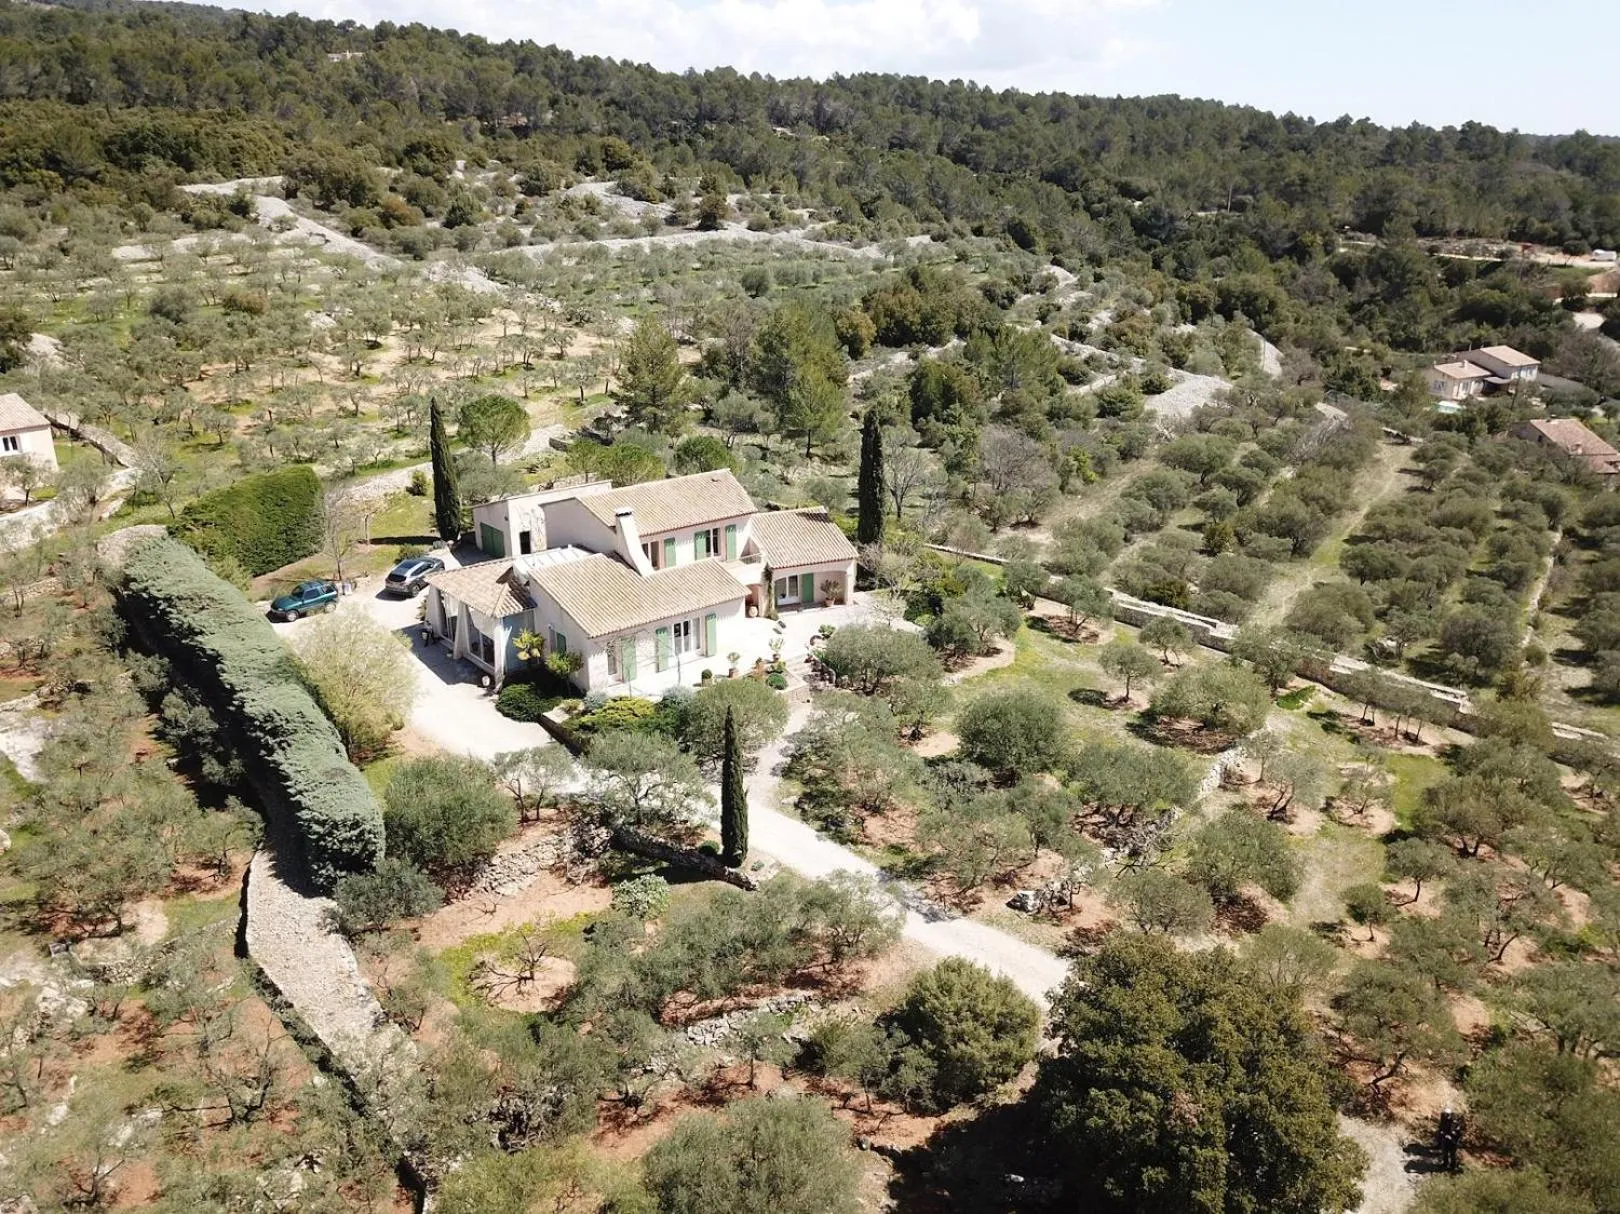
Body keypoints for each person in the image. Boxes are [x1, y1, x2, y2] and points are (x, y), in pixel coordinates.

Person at [1436, 1106, 1464, 1172]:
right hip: (1445, 1140)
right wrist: (1443, 1134)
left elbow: (1458, 1133)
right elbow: (1441, 1129)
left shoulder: (1455, 1123)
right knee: (1445, 1152)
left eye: (1447, 1114)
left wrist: (1452, 1137)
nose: (1446, 1115)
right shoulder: (1444, 1121)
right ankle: (1445, 1164)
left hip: (1453, 1141)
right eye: (1445, 1114)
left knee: (1452, 1154)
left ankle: (1452, 1166)